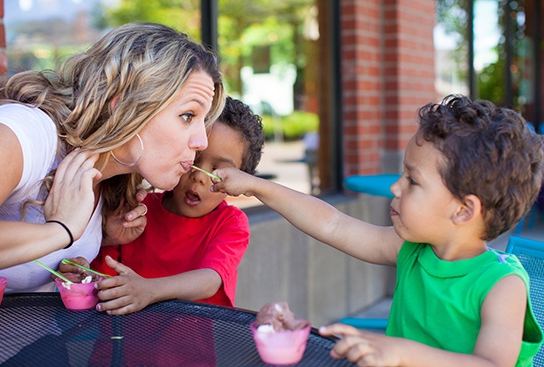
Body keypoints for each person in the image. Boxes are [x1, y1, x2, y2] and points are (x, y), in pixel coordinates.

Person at [210, 95, 544, 366]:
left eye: (412, 181)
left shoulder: (503, 285)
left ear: (463, 210)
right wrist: (257, 186)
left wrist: (400, 352)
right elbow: (332, 223)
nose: (396, 187)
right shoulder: (412, 249)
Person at [0, 22, 225, 293]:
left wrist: (101, 236)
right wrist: (60, 232)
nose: (202, 142)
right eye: (187, 116)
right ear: (125, 106)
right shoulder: (29, 134)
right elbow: (58, 229)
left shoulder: (111, 179)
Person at [88, 96, 264, 315]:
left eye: (217, 170)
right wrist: (83, 270)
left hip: (188, 347)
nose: (199, 177)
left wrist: (149, 290)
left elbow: (210, 280)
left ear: (237, 183)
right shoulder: (138, 209)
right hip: (120, 343)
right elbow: (104, 280)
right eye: (195, 158)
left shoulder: (230, 223)